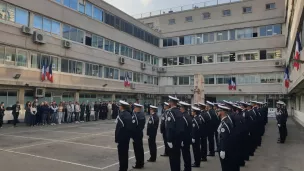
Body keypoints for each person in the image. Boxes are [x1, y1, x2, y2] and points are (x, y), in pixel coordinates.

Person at [115, 100, 135, 171]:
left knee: (121, 155)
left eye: (120, 105)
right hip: (127, 137)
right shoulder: (129, 114)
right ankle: (125, 168)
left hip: (122, 138)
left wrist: (117, 138)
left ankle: (122, 169)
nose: (119, 107)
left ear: (122, 107)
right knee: (125, 154)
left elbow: (119, 128)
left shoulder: (121, 115)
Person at [166, 96, 184, 171]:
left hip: (173, 139)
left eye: (169, 102)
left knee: (173, 158)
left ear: (171, 103)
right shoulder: (180, 112)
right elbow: (182, 126)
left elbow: (170, 127)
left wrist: (169, 140)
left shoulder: (171, 112)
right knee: (177, 157)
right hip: (179, 138)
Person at [217, 104, 234, 171]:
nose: (217, 112)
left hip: (225, 148)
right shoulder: (224, 121)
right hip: (226, 147)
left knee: (225, 166)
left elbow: (224, 137)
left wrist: (223, 150)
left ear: (222, 112)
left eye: (218, 110)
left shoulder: (225, 124)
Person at [131, 103, 146, 169]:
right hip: (140, 133)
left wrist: (132, 136)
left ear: (137, 108)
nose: (134, 108)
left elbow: (133, 127)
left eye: (135, 107)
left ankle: (138, 164)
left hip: (136, 135)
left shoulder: (136, 116)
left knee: (137, 150)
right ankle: (141, 162)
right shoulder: (142, 114)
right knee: (140, 149)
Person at [179, 101, 192, 171]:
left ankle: (187, 168)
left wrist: (182, 140)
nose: (180, 109)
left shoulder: (183, 117)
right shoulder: (188, 116)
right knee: (187, 154)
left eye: (180, 107)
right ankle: (188, 168)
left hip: (184, 139)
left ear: (183, 108)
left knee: (185, 155)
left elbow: (182, 129)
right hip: (188, 138)